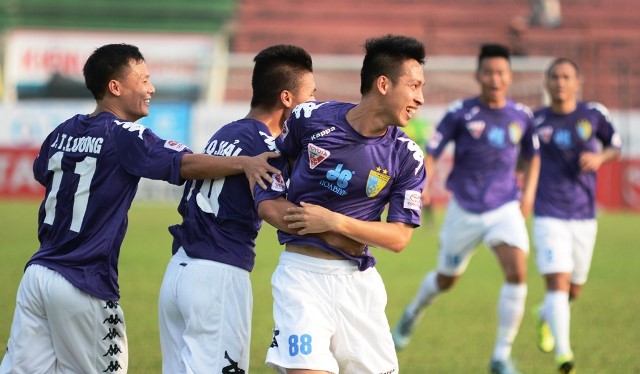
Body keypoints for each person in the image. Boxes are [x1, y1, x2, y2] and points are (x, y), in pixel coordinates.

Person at [0, 43, 280, 374]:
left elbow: (42, 171)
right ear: (115, 87)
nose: (151, 88)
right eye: (144, 79)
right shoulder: (125, 135)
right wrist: (244, 163)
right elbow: (185, 164)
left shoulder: (63, 131)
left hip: (37, 275)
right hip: (83, 281)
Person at [259, 34, 427, 373]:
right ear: (383, 84)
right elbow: (269, 182)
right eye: (414, 86)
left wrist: (333, 223)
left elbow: (399, 238)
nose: (420, 98)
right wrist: (284, 215)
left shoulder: (407, 156)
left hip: (358, 287)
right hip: (302, 279)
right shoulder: (310, 118)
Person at [157, 44, 319, 374]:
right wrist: (332, 224)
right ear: (287, 98)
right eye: (311, 95)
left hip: (178, 272)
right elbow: (273, 210)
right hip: (218, 276)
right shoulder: (267, 147)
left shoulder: (226, 132)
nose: (313, 105)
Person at [391, 43, 540, 374]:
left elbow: (533, 157)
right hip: (465, 207)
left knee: (517, 271)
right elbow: (431, 149)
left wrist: (527, 195)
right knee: (446, 279)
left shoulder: (522, 116)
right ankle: (413, 312)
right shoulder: (460, 112)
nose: (494, 78)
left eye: (500, 72)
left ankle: (501, 355)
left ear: (509, 76)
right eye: (488, 72)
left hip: (505, 206)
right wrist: (424, 183)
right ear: (478, 75)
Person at [531, 58, 621, 374]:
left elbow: (615, 146)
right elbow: (520, 160)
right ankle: (564, 356)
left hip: (584, 216)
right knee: (558, 281)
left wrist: (600, 157)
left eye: (566, 77)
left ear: (577, 82)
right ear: (546, 82)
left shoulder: (594, 114)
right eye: (554, 77)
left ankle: (545, 314)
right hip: (547, 214)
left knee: (574, 288)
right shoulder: (535, 120)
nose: (559, 82)